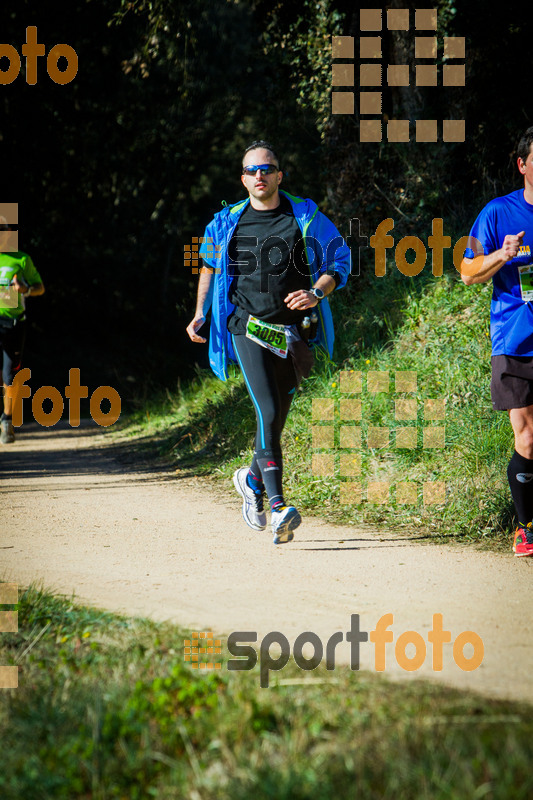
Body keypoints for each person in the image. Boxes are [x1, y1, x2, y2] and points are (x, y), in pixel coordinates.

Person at [186, 140, 350, 544]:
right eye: (252, 170)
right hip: (247, 327)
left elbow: (339, 260)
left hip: (294, 333)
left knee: (276, 418)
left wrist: (317, 292)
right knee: (267, 407)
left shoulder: (305, 216)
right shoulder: (225, 223)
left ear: (279, 175)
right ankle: (278, 507)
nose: (260, 175)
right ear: (243, 179)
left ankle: (251, 479)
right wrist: (201, 312)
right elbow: (207, 265)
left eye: (267, 168)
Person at [461, 126, 533, 556]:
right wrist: (502, 256)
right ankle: (525, 527)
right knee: (527, 438)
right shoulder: (497, 213)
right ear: (523, 165)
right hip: (516, 340)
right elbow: (468, 271)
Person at [0, 223, 45, 443]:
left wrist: (25, 289)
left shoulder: (21, 259)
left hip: (14, 322)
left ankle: (7, 420)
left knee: (10, 375)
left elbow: (40, 288)